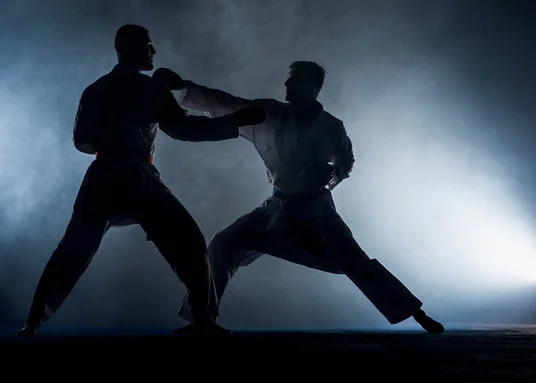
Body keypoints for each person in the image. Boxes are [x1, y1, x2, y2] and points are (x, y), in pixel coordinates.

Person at [153, 62, 445, 334]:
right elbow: (228, 103)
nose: (286, 84)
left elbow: (346, 160)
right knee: (224, 243)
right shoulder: (270, 113)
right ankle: (202, 319)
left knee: (356, 262)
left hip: (316, 211)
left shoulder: (332, 126)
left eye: (293, 80)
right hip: (276, 206)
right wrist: (183, 86)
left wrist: (332, 178)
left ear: (312, 87)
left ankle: (416, 314)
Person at [18, 24, 266, 337]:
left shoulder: (96, 89)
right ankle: (202, 320)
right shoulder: (149, 90)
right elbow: (184, 130)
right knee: (188, 241)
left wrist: (114, 133)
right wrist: (237, 121)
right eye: (149, 46)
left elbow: (82, 141)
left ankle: (33, 321)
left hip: (104, 173)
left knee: (73, 251)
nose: (154, 52)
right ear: (134, 49)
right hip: (137, 175)